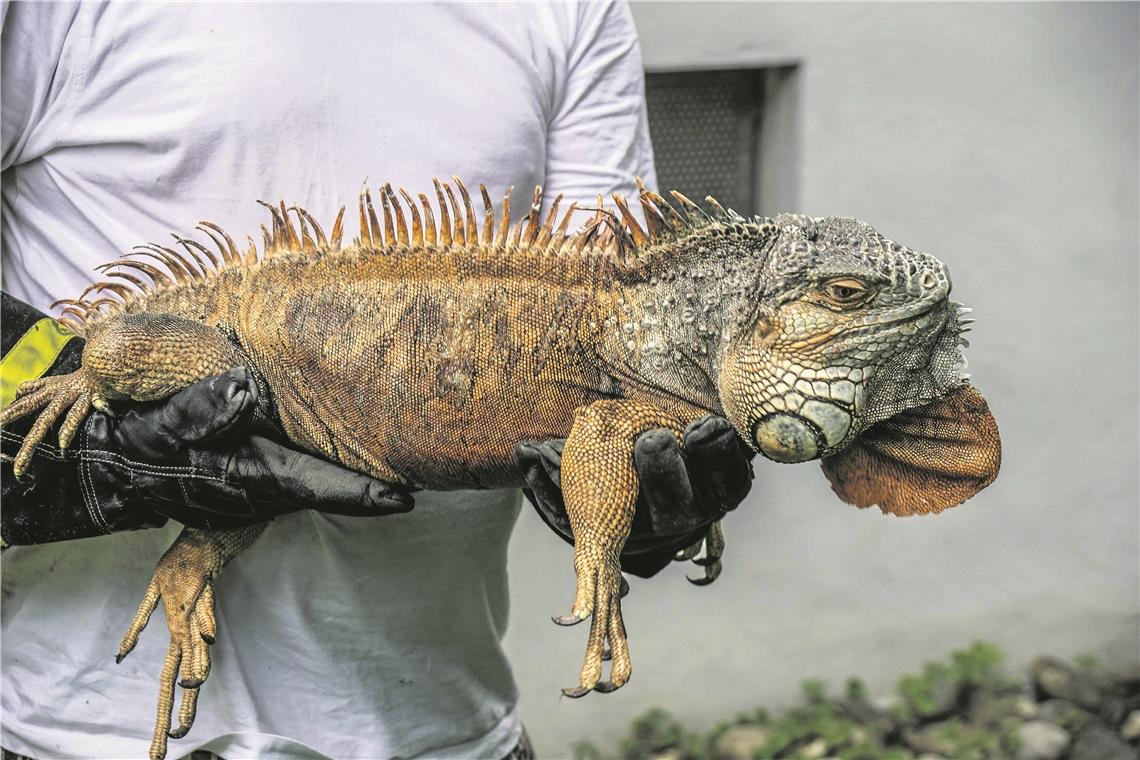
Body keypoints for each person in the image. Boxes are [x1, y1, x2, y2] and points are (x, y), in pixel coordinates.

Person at [1, 3, 753, 758]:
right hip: (73, 733)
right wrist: (85, 446)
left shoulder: (571, 10)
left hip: (447, 725)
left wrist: (638, 481)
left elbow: (607, 327)